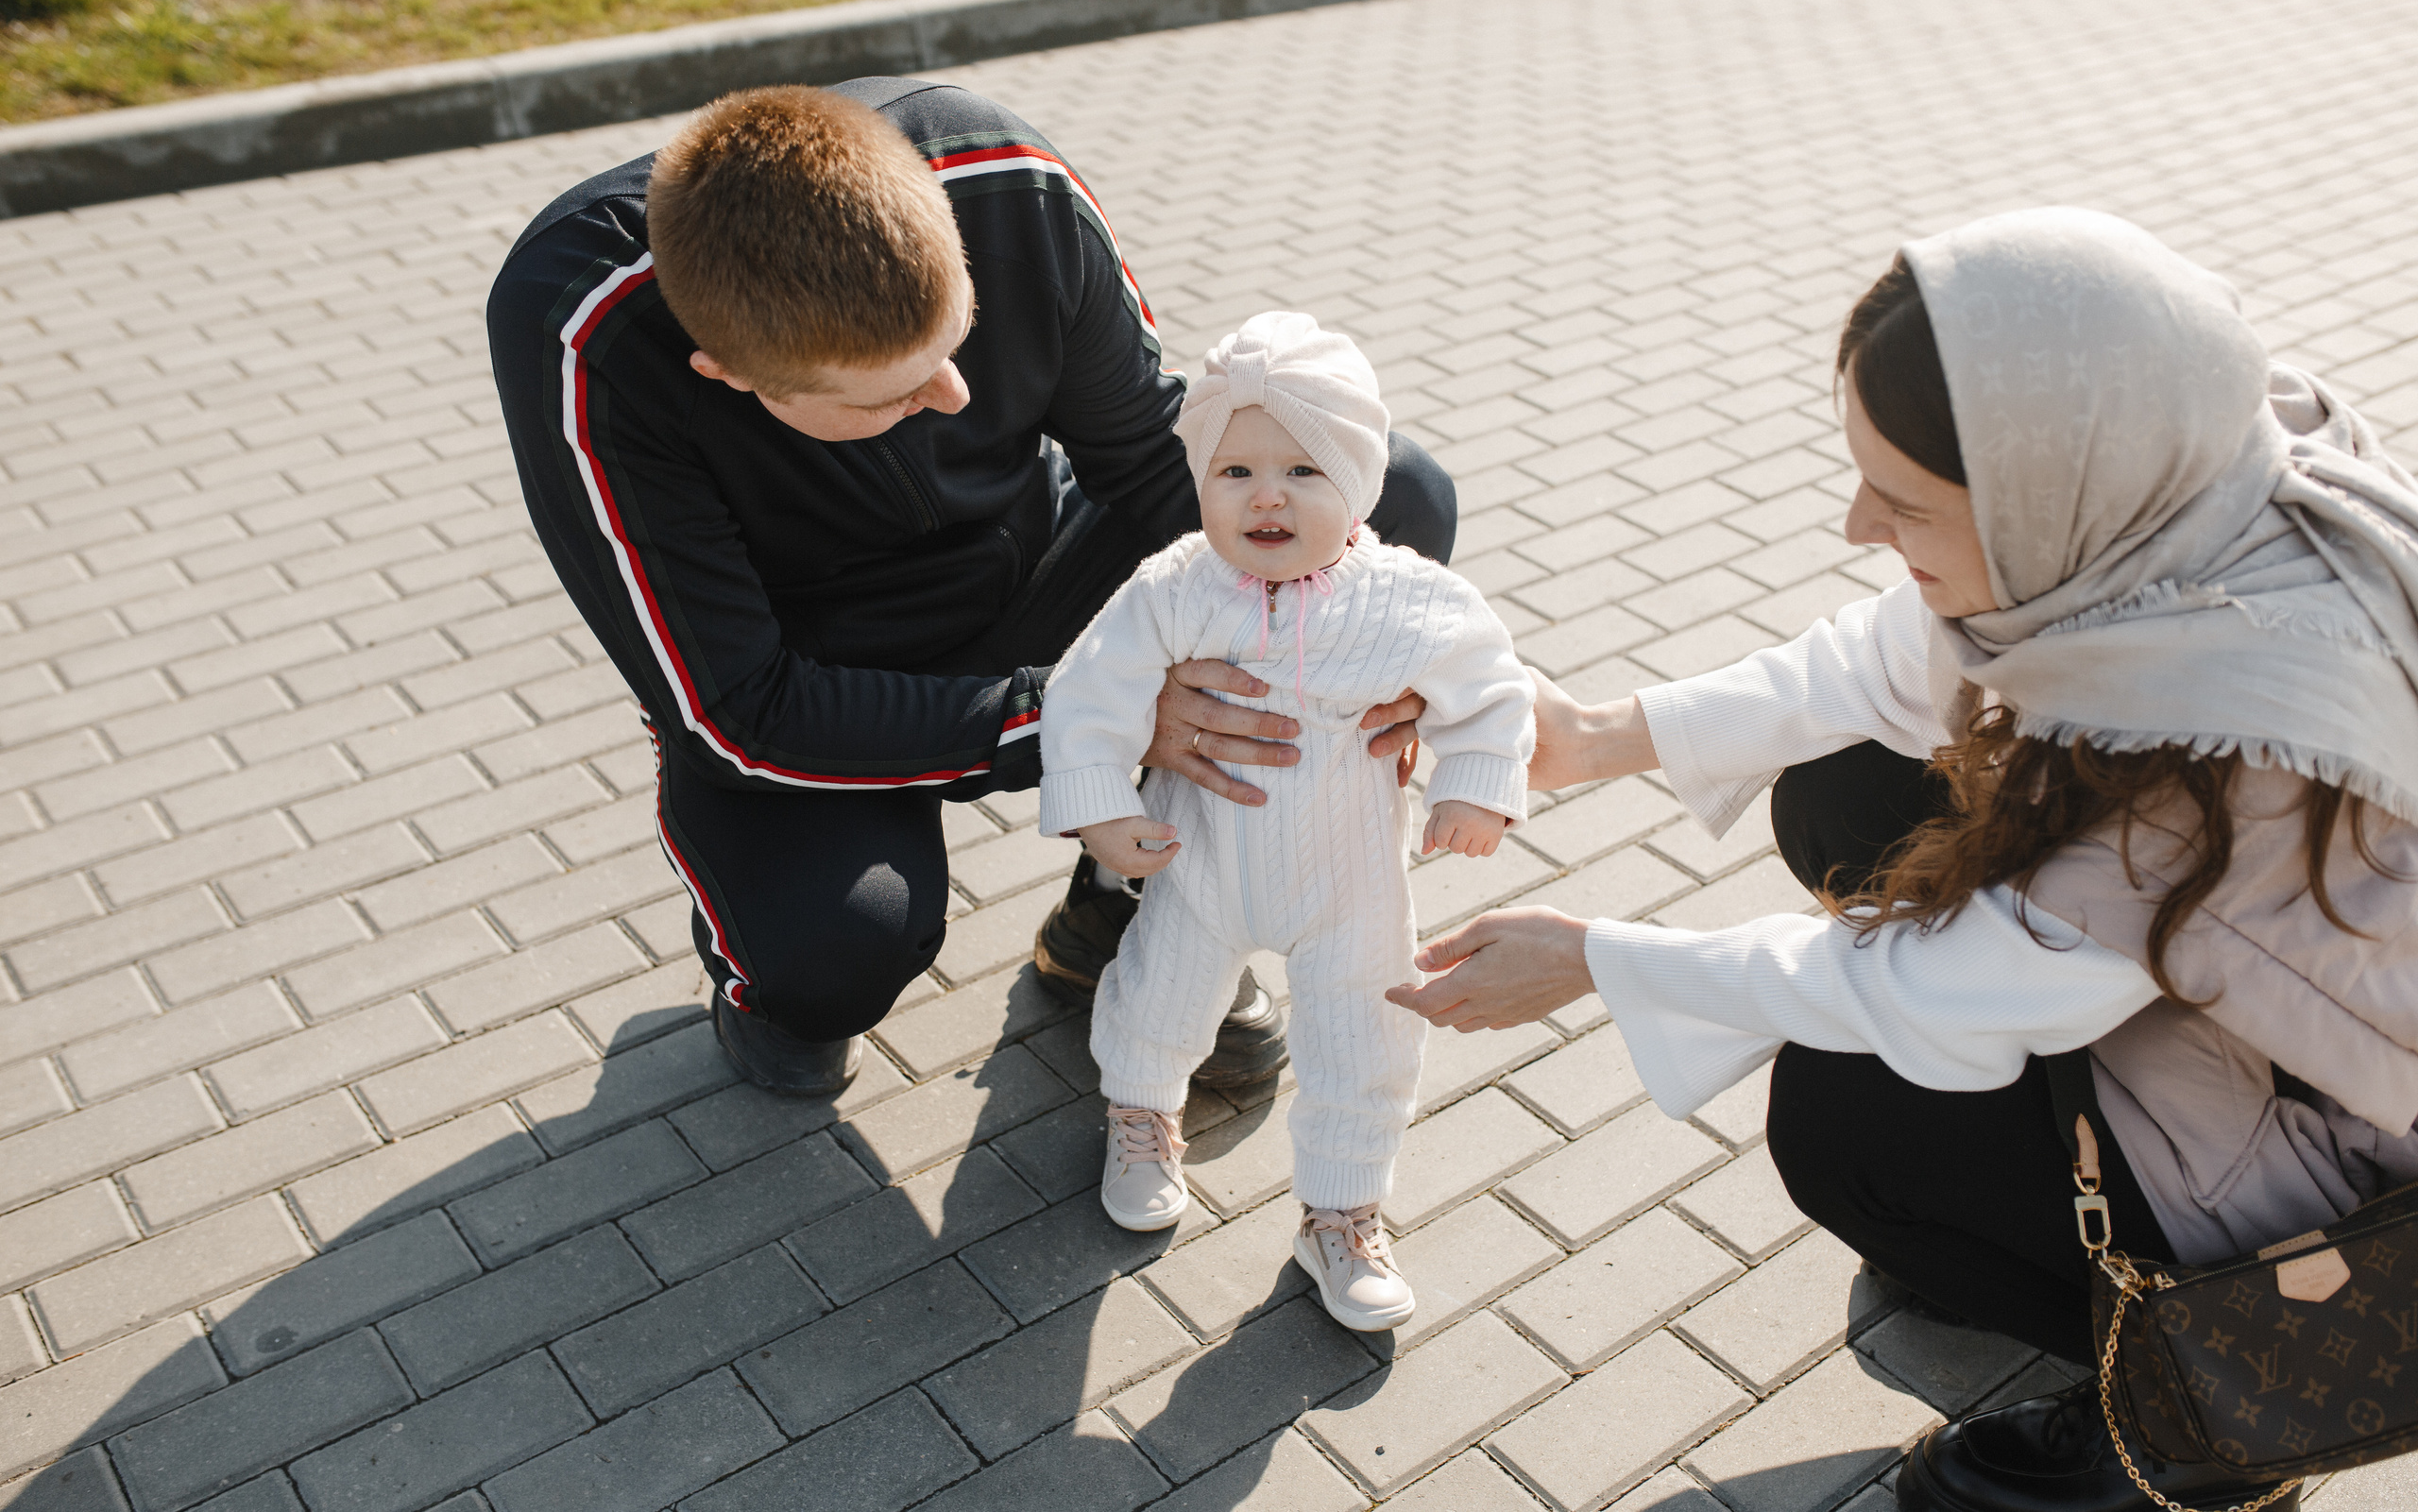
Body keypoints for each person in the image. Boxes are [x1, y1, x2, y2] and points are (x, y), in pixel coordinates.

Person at [1388, 208, 2418, 1512]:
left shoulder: (2218, 746)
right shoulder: (2181, 482)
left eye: (1905, 498)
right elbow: (1883, 660)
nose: (1853, 520)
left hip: (2365, 1183)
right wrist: (1592, 736)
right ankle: (2034, 1235)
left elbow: (1923, 991)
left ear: (2047, 497)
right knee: (1846, 792)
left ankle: (2212, 1405)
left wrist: (1598, 958)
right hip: (2237, 980)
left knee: (1846, 1106)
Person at [485, 80, 1456, 1096]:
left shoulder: (1004, 184)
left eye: (955, 346)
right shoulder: (583, 338)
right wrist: (1089, 715)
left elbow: (1138, 457)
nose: (950, 397)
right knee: (830, 962)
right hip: (810, 670)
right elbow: (735, 709)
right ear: (729, 373)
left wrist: (1370, 627)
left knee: (1378, 511)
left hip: (1035, 559)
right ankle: (767, 981)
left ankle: (1125, 904)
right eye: (894, 394)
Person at [1038, 313, 1534, 1330]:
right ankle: (1140, 1114)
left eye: (1305, 472)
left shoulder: (1409, 599)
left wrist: (1475, 780)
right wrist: (1099, 808)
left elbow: (1489, 684)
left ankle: (1341, 1215)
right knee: (1159, 992)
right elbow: (1093, 692)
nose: (1267, 495)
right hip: (1199, 854)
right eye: (1235, 472)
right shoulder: (1176, 587)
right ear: (1202, 483)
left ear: (1357, 481)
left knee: (1365, 1032)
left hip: (1350, 877)